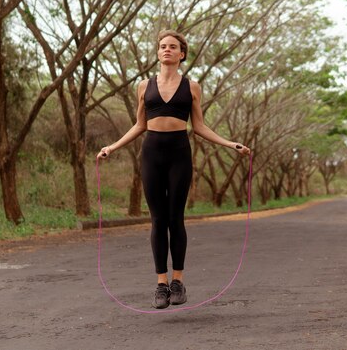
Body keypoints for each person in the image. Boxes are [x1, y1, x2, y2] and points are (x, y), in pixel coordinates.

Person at [97, 30, 250, 309]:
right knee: (158, 220)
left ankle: (178, 282)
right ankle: (161, 285)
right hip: (151, 153)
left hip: (179, 152)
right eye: (162, 46)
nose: (167, 50)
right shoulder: (144, 86)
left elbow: (199, 126)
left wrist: (231, 144)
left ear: (182, 54)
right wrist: (112, 147)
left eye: (173, 47)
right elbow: (139, 124)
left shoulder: (192, 87)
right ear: (158, 53)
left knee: (175, 218)